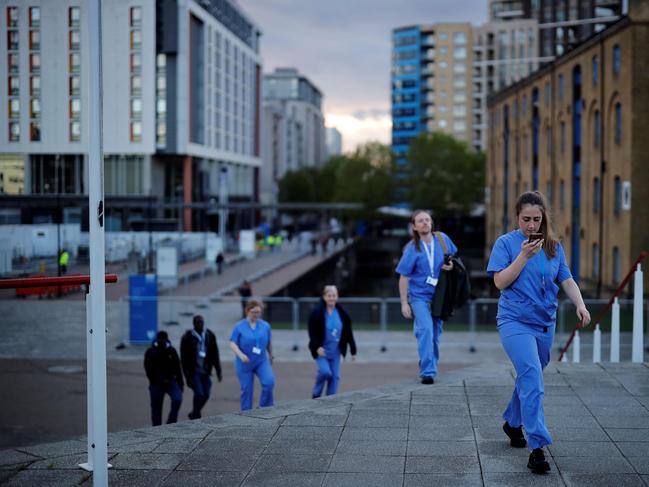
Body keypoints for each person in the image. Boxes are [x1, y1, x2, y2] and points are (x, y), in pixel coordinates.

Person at [486, 191, 591, 474]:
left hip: (545, 323)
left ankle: (512, 420)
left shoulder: (554, 246)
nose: (531, 225)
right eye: (525, 219)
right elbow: (500, 282)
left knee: (531, 375)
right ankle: (537, 447)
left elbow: (565, 278)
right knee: (532, 375)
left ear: (544, 217)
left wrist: (580, 304)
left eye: (536, 219)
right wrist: (522, 256)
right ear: (516, 218)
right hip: (514, 321)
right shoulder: (506, 244)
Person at [396, 209, 457, 384]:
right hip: (419, 297)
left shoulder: (442, 239)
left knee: (435, 334)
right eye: (420, 221)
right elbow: (403, 276)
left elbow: (452, 257)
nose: (425, 223)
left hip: (438, 296)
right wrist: (404, 303)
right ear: (414, 226)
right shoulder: (411, 249)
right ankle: (428, 371)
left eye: (427, 220)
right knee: (426, 330)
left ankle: (429, 362)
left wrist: (450, 265)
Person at [308, 285, 357, 398]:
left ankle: (330, 400)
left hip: (336, 352)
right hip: (322, 351)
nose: (331, 298)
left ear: (337, 297)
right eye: (329, 296)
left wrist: (353, 350)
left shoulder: (342, 313)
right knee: (325, 372)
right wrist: (317, 347)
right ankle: (316, 393)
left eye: (334, 295)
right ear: (324, 297)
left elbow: (348, 332)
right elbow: (312, 332)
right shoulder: (317, 313)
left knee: (335, 377)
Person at [229, 300, 275, 411]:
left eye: (259, 312)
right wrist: (240, 355)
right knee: (247, 389)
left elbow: (268, 342)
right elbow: (232, 343)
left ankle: (265, 408)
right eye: (254, 312)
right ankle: (246, 413)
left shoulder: (265, 326)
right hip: (244, 362)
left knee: (269, 382)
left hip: (261, 360)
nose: (256, 315)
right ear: (247, 311)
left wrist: (271, 355)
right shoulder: (239, 326)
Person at [180, 315, 222, 420]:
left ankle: (194, 412)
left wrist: (218, 371)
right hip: (194, 372)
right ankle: (196, 415)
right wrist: (187, 377)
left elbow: (215, 354)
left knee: (206, 394)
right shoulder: (187, 337)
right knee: (199, 394)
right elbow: (184, 359)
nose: (200, 324)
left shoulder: (209, 335)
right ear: (194, 324)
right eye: (198, 322)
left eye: (202, 322)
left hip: (206, 371)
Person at [143, 331, 183, 426]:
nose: (161, 341)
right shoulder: (150, 352)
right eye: (160, 339)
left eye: (163, 339)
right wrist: (156, 380)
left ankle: (171, 423)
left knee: (177, 399)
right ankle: (157, 428)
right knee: (156, 408)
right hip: (156, 384)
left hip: (171, 382)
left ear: (166, 339)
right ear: (157, 339)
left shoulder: (172, 351)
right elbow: (148, 369)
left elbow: (178, 368)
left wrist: (181, 384)